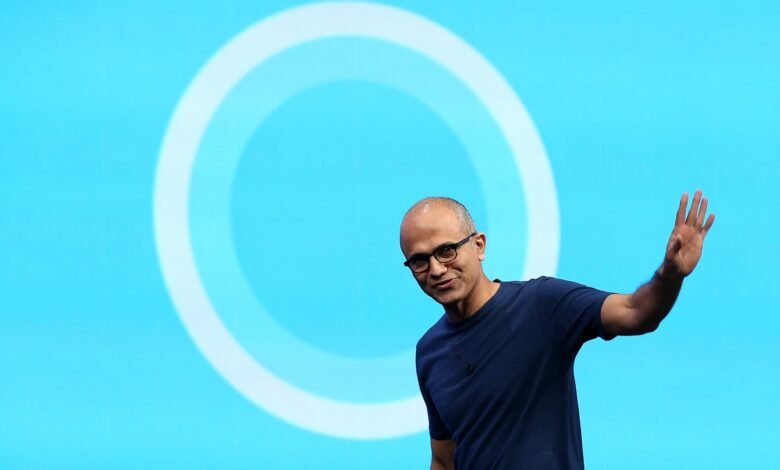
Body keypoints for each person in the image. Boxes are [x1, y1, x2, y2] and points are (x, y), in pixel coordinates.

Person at [400, 191, 715, 469]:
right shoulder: (429, 351)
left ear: (479, 245)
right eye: (419, 261)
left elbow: (637, 313)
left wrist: (670, 274)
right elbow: (444, 460)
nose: (437, 269)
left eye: (446, 250)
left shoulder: (541, 304)